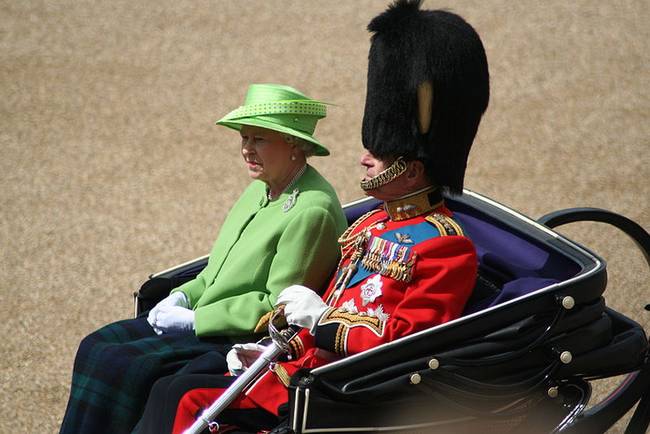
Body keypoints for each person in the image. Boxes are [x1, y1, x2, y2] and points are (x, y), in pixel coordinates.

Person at [135, 1, 491, 432]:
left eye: (377, 154)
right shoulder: (371, 223)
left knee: (183, 398)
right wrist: (280, 343)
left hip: (342, 390)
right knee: (167, 386)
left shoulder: (444, 248)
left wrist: (319, 323)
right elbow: (332, 300)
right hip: (296, 368)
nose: (363, 159)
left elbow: (402, 343)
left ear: (413, 168)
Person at [58, 83, 348, 434]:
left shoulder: (311, 209)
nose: (246, 150)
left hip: (232, 337)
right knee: (95, 346)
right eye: (244, 138)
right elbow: (218, 269)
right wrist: (183, 295)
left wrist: (195, 319)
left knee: (126, 366)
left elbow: (277, 307)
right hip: (201, 317)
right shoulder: (261, 187)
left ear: (293, 145)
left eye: (259, 139)